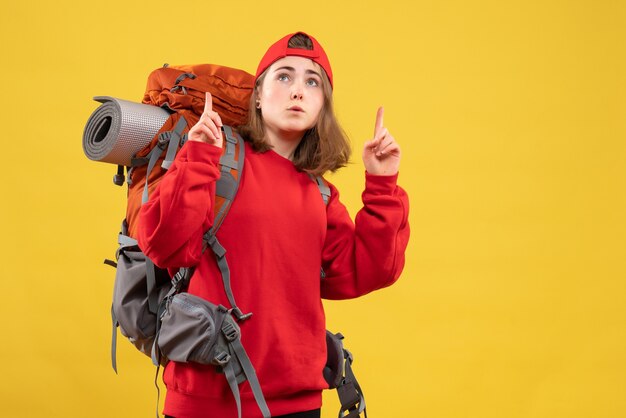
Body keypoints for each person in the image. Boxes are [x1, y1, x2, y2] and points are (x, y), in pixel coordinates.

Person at [137, 31, 410, 418]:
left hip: (298, 404)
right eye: (284, 76)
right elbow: (165, 246)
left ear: (321, 106)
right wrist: (197, 158)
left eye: (312, 82)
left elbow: (365, 270)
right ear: (259, 96)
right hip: (204, 404)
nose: (298, 90)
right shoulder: (213, 157)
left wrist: (382, 184)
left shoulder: (321, 194)